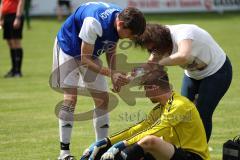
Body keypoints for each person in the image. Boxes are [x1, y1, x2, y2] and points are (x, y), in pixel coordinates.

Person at [51, 2, 146, 160]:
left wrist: (114, 75)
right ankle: (64, 153)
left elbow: (111, 46)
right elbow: (84, 59)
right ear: (120, 24)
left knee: (103, 99)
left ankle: (100, 149)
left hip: (89, 52)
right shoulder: (93, 22)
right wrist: (111, 74)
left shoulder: (121, 17)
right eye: (129, 35)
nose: (129, 39)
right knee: (70, 99)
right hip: (68, 48)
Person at [80, 68, 210, 160]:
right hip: (174, 153)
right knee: (142, 149)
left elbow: (155, 130)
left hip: (193, 157)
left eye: (145, 89)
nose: (145, 94)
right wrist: (107, 141)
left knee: (150, 141)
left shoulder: (179, 105)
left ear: (154, 88)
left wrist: (121, 145)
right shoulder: (160, 108)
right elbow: (140, 128)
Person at [134, 23, 232, 142]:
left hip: (217, 72)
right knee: (180, 112)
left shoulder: (183, 33)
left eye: (153, 48)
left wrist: (159, 63)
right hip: (192, 75)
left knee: (202, 114)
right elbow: (150, 64)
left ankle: (200, 153)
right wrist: (130, 77)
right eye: (150, 50)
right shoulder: (159, 44)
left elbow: (183, 56)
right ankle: (183, 150)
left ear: (160, 41)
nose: (153, 52)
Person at [0, 0, 25, 78]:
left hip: (14, 16)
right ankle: (13, 69)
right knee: (10, 43)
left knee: (16, 42)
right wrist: (1, 18)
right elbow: (2, 3)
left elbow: (21, 2)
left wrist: (18, 17)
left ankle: (18, 71)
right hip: (6, 16)